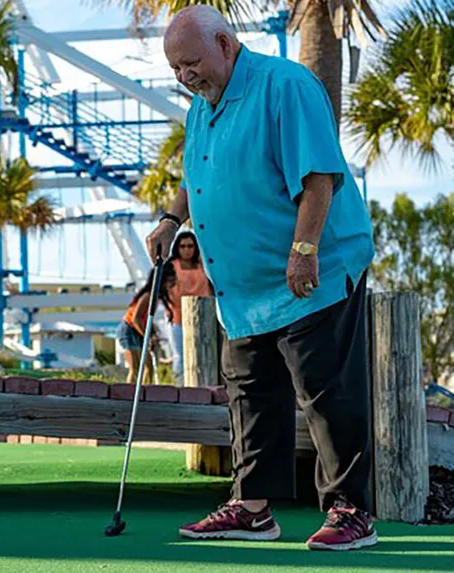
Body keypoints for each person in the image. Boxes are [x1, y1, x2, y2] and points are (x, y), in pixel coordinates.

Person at [146, 5, 376, 551]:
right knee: (250, 394)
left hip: (311, 271)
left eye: (192, 63)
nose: (185, 77)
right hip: (245, 289)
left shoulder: (285, 85)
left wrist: (303, 251)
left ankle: (351, 511)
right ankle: (252, 508)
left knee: (327, 392)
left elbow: (319, 175)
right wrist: (171, 218)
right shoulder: (204, 104)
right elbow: (199, 171)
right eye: (176, 69)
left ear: (225, 44)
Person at [116, 262, 177, 384]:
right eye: (169, 280)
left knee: (148, 368)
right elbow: (136, 319)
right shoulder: (148, 296)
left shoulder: (156, 297)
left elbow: (145, 318)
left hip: (138, 329)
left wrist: (153, 332)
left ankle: (145, 393)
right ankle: (129, 395)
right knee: (136, 368)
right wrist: (147, 337)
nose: (171, 284)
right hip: (130, 329)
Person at [165, 230, 213, 384]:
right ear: (177, 248)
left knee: (207, 354)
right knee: (180, 356)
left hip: (205, 317)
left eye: (190, 246)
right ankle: (180, 386)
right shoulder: (171, 267)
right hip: (178, 318)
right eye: (183, 246)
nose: (187, 250)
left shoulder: (203, 265)